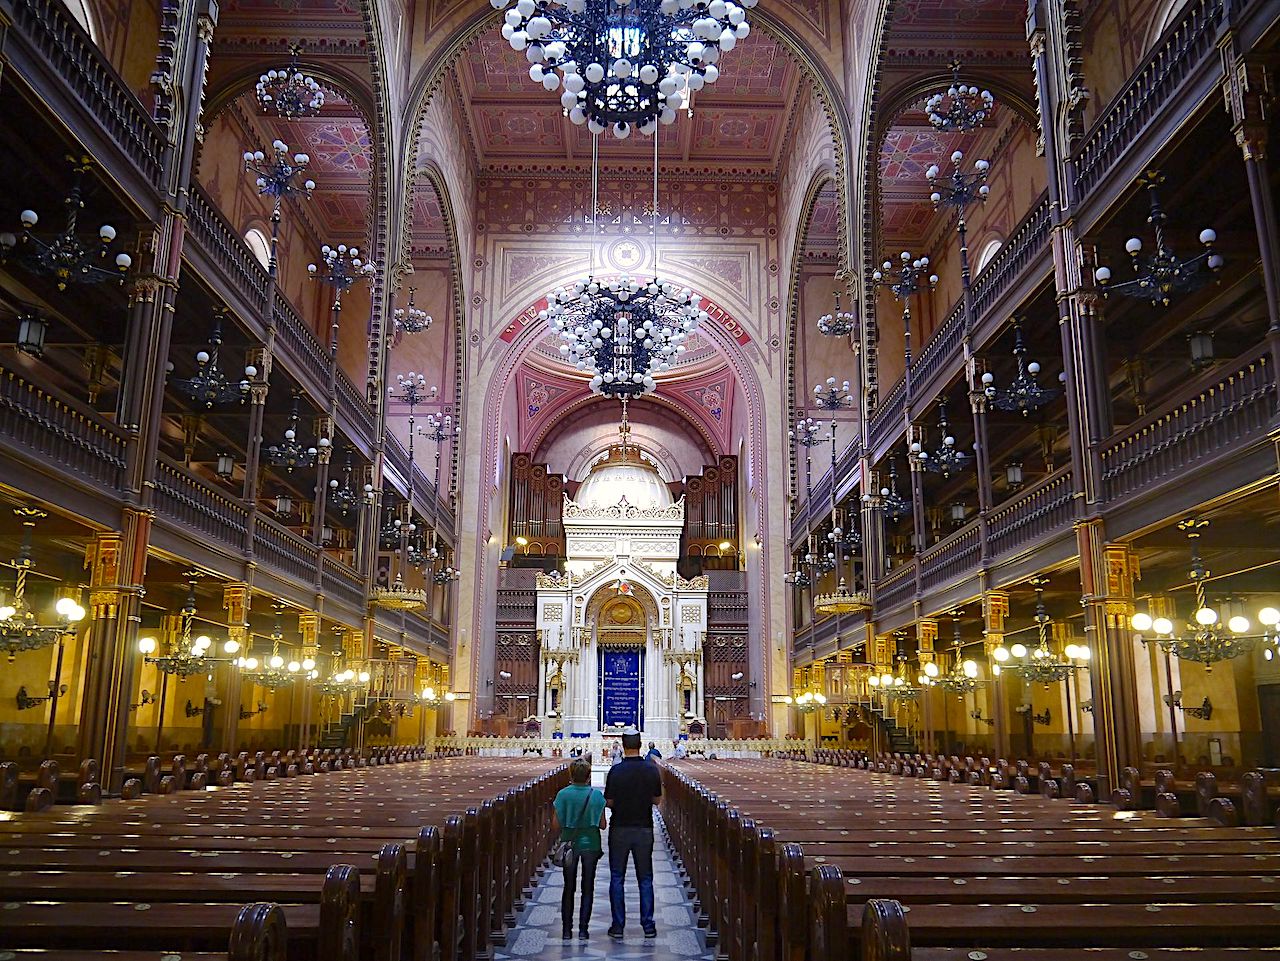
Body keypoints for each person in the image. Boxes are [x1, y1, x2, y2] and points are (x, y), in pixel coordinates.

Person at [603, 726, 662, 940]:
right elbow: (657, 800)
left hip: (619, 827)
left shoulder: (616, 771)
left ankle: (618, 926)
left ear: (624, 744)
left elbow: (608, 801)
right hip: (644, 828)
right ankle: (648, 925)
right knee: (645, 878)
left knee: (617, 877)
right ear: (639, 744)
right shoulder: (651, 769)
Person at [551, 758, 607, 941]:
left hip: (569, 844)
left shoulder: (562, 795)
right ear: (589, 776)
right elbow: (603, 825)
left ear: (571, 774)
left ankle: (567, 931)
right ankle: (584, 930)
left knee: (569, 887)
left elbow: (555, 826)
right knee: (588, 887)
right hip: (591, 844)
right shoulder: (597, 795)